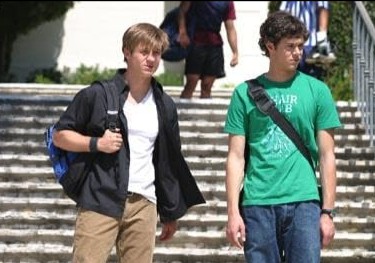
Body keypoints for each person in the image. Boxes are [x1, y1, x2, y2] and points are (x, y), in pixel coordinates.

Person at [52, 22, 205, 263]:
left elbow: (167, 162)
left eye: (156, 53)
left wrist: (170, 211)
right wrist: (96, 144)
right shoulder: (98, 95)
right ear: (126, 52)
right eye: (144, 52)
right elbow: (59, 136)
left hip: (145, 203)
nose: (151, 59)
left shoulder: (165, 105)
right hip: (100, 198)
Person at [224, 11, 341, 262]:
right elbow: (235, 157)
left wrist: (327, 212)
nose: (298, 52)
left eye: (300, 46)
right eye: (290, 47)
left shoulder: (318, 91)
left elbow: (327, 155)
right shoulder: (244, 94)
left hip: (305, 202)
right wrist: (233, 211)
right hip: (258, 202)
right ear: (270, 46)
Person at [177, 1, 239, 99]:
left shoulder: (227, 3)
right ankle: (179, 114)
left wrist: (235, 52)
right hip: (196, 43)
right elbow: (181, 11)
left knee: (207, 86)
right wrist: (182, 32)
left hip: (215, 46)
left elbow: (230, 27)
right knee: (191, 83)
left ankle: (204, 113)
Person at [280, 1, 336, 79]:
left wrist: (322, 38)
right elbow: (283, 13)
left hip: (310, 44)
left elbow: (323, 8)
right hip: (293, 42)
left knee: (309, 80)